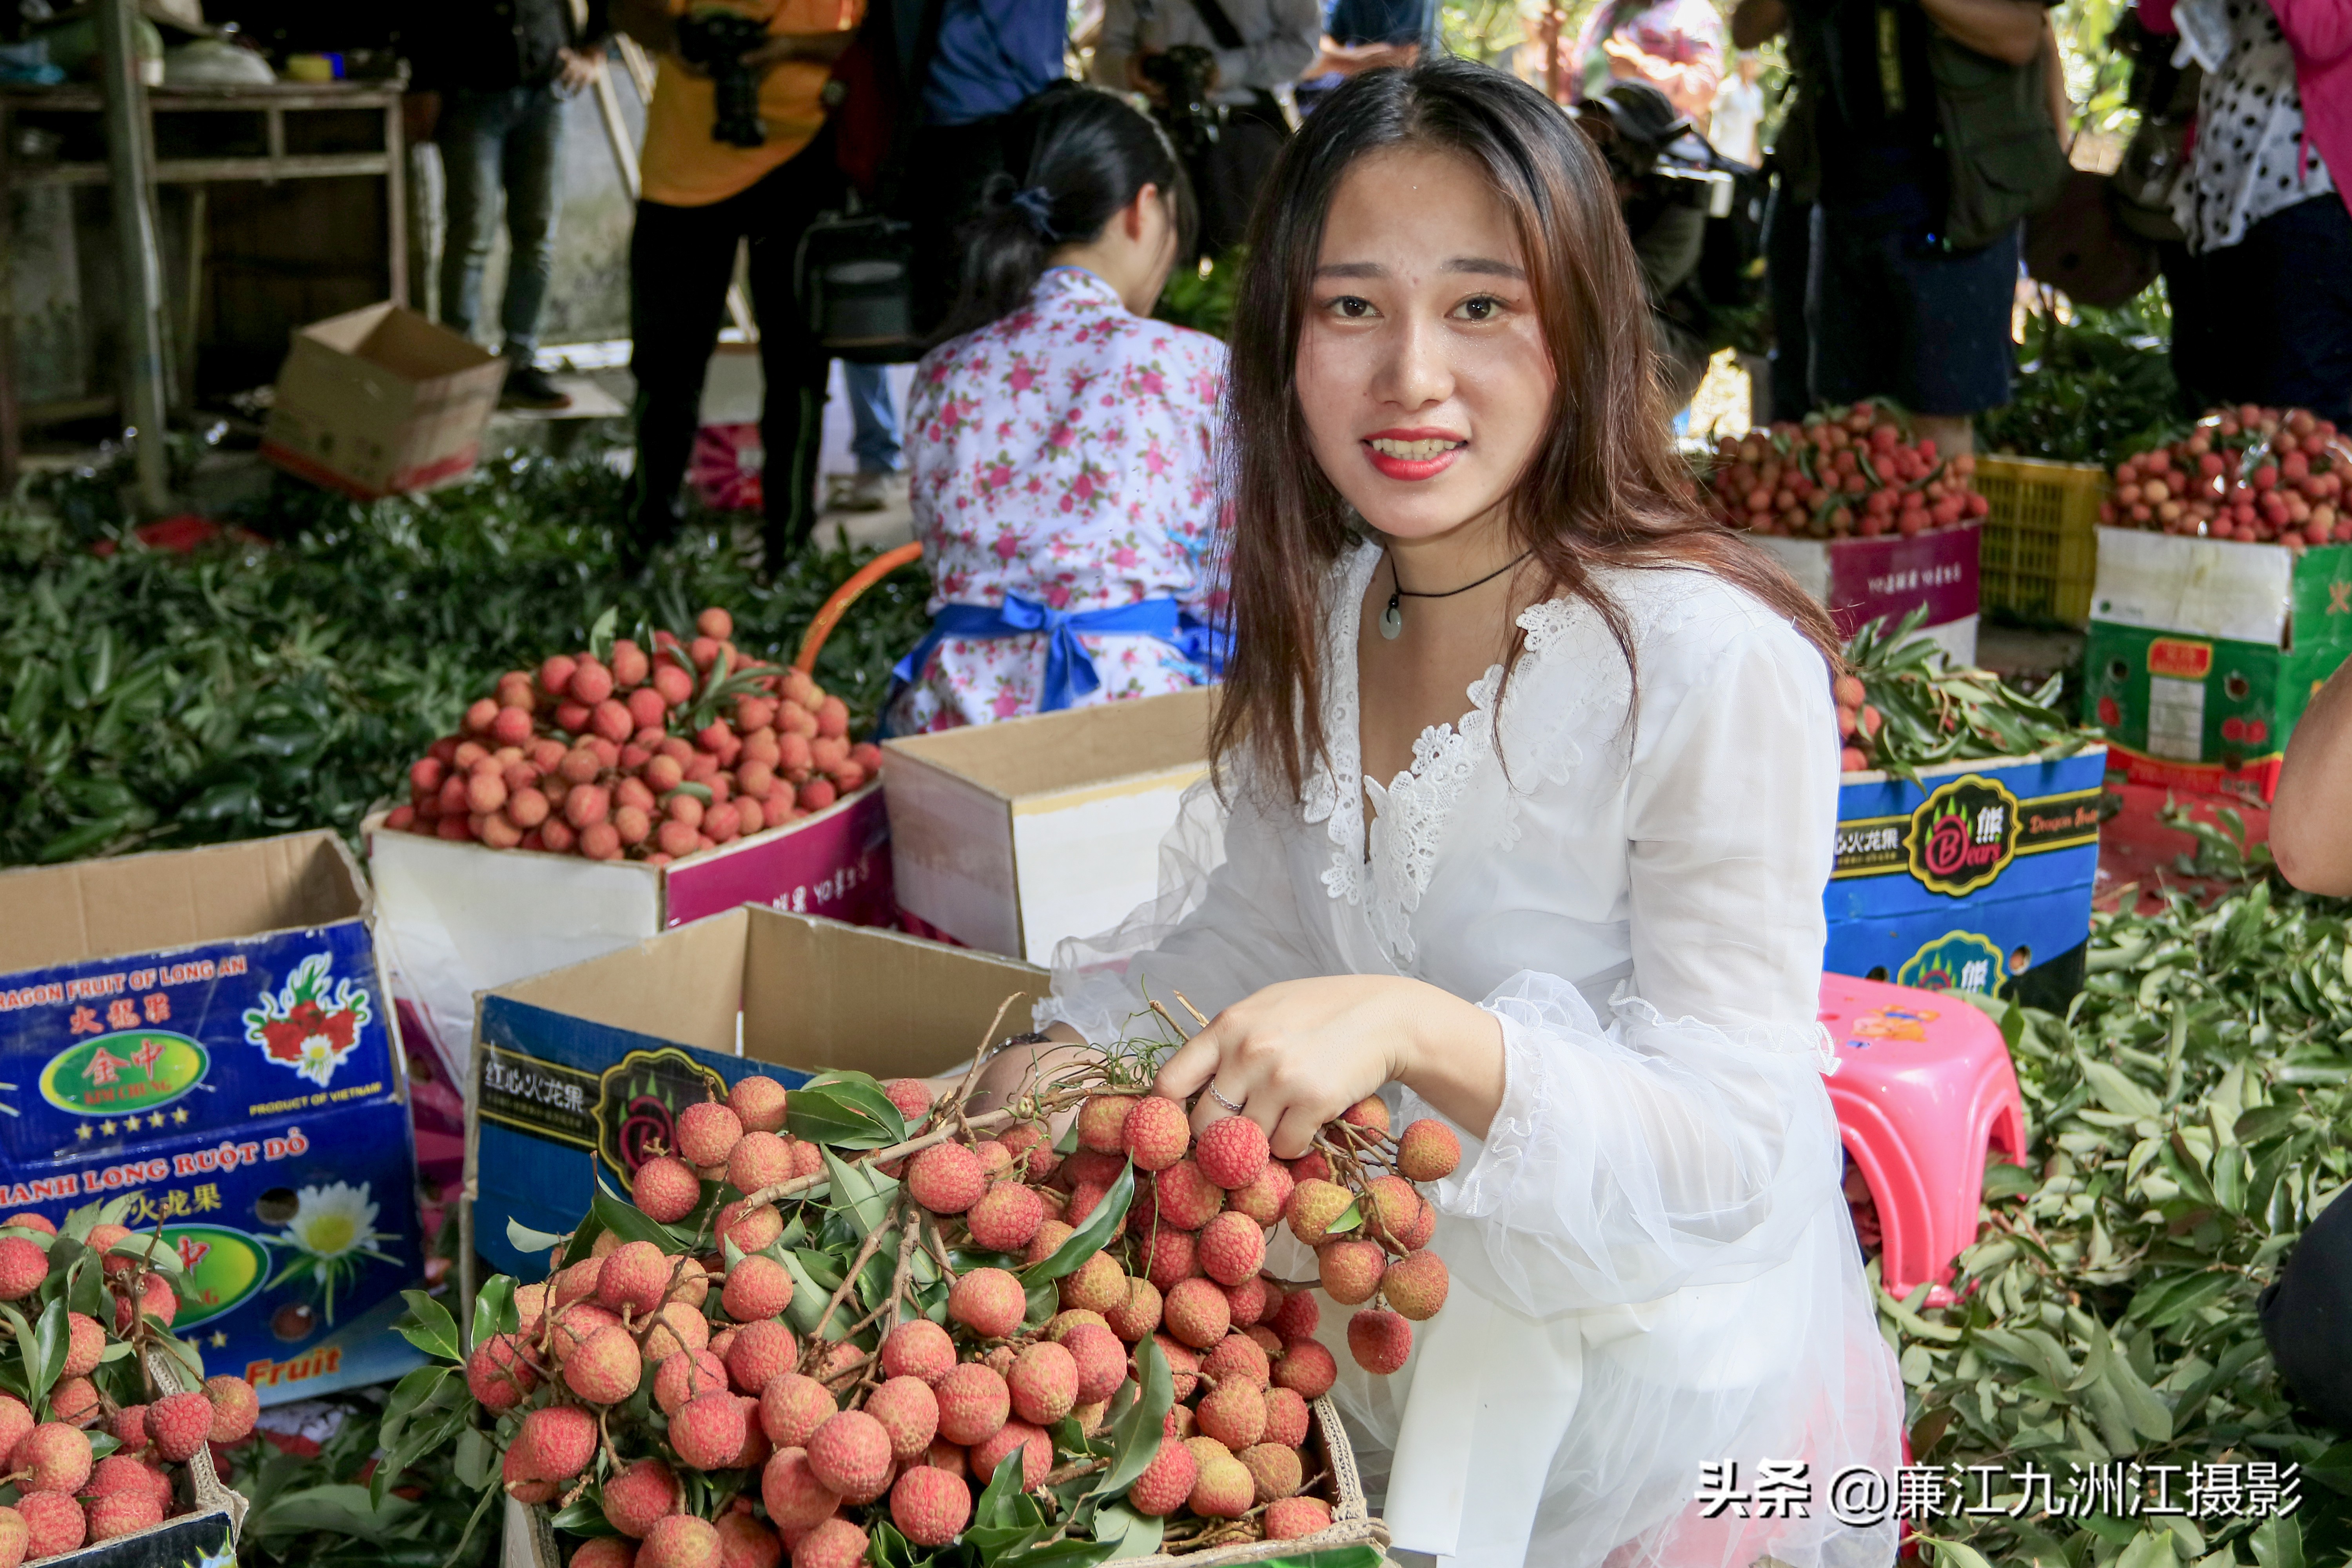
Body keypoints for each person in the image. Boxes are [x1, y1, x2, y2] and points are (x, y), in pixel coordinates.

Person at [989, 56, 1902, 1567]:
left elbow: (1736, 1144)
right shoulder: (1334, 604)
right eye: (1353, 307)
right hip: (1380, 1326)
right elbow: (1252, 938)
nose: (1411, 374)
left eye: (1481, 304)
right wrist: (1060, 1058)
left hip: (1641, 1403)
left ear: (1581, 325)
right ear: (1284, 341)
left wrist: (1422, 1032)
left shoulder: (1708, 661)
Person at [885, 84, 1227, 734]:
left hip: (957, 718)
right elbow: (1234, 583)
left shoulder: (943, 371)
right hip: (1134, 709)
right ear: (1143, 210)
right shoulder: (1194, 365)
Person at [1740, 0, 2068, 458]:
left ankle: (1941, 506)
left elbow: (2023, 36)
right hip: (1845, 202)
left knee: (1940, 418)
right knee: (1846, 420)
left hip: (1957, 207)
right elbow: (1746, 30)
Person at [613, 0, 862, 572]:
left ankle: (790, 549)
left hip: (809, 156)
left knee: (798, 367)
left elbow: (879, 41)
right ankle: (648, 539)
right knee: (665, 365)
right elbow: (626, 8)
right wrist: (678, 37)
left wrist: (789, 49)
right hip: (685, 168)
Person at [2142, 0, 2350, 423]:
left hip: (2308, 200)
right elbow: (2156, 15)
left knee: (2298, 426)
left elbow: (2324, 32)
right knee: (2233, 419)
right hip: (2224, 198)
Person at [403, 0, 608, 410]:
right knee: (471, 233)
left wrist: (595, 50)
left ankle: (521, 361)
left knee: (536, 234)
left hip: (544, 87)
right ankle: (458, 363)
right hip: (469, 90)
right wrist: (423, 83)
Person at [1090, 0, 1321, 256]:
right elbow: (1105, 60)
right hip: (1165, 134)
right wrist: (1134, 69)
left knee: (1249, 257)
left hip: (1247, 132)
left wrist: (1223, 70)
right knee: (1166, 260)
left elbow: (1304, 48)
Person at [1566, 0, 1725, 121]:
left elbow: (1705, 90)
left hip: (1652, 146)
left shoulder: (1690, 10)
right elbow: (1579, 80)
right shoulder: (1607, 10)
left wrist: (1641, 69)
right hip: (1592, 139)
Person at [1296, 0, 1434, 115]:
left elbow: (1404, 59)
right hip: (1365, 96)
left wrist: (1334, 62)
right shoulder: (1351, 3)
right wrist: (1364, 60)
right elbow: (1323, 44)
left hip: (1407, 102)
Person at [1710, 49, 1764, 165]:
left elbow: (1753, 125)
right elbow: (1713, 113)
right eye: (1746, 65)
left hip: (1741, 155)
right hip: (1722, 148)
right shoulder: (1727, 87)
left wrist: (1754, 154)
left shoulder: (1756, 94)